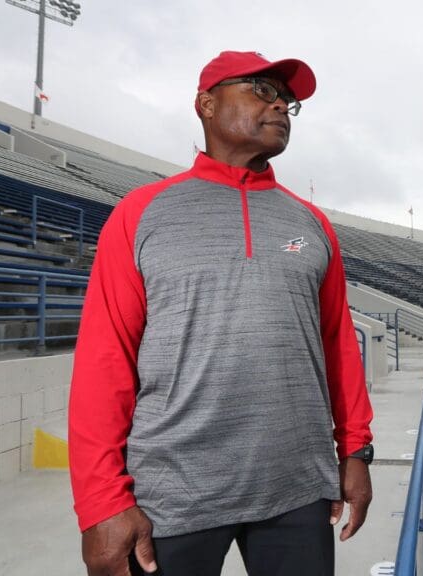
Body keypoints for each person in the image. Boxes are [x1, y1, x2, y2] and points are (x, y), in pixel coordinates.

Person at [68, 50, 374, 576]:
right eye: (261, 89)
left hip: (297, 489)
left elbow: (337, 346)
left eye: (288, 100)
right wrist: (101, 502)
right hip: (171, 496)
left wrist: (356, 451)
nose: (280, 104)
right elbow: (105, 361)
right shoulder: (142, 214)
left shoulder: (312, 223)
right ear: (206, 104)